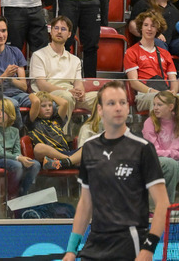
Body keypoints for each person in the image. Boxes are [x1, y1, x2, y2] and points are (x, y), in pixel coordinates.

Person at [62, 81, 167, 261]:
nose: (118, 108)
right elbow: (85, 203)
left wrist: (148, 249)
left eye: (123, 102)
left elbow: (162, 204)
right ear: (100, 110)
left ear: (128, 108)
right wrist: (71, 250)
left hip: (131, 242)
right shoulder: (89, 148)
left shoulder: (143, 148)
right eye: (111, 103)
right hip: (95, 243)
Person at [29, 16, 97, 126]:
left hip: (71, 94)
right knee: (66, 97)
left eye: (63, 29)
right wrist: (67, 90)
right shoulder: (38, 55)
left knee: (102, 98)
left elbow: (78, 83)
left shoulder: (75, 60)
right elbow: (42, 85)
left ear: (69, 34)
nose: (59, 32)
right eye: (56, 28)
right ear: (51, 32)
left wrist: (80, 92)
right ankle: (62, 137)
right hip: (48, 95)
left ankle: (97, 135)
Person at [0, 98, 40, 197]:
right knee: (16, 165)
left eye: (2, 111)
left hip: (11, 159)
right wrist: (19, 158)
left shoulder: (14, 131)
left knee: (35, 164)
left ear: (10, 115)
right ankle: (11, 195)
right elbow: (0, 152)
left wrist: (21, 158)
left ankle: (22, 194)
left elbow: (17, 151)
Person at [125, 10, 179, 111]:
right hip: (144, 94)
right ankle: (155, 127)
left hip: (165, 92)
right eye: (146, 25)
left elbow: (173, 79)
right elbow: (133, 82)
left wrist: (173, 92)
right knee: (158, 100)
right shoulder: (131, 52)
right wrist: (153, 91)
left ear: (158, 29)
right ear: (141, 27)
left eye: (153, 26)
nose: (149, 29)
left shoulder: (165, 53)